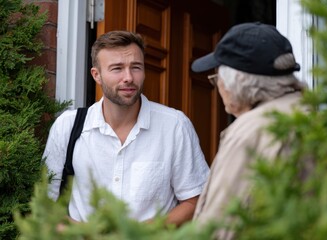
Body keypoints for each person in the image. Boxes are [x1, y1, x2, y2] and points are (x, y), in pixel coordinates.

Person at [43, 30, 209, 227]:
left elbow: (195, 200)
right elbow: (46, 205)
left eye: (136, 67)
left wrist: (142, 234)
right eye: (117, 68)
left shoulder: (174, 126)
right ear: (97, 75)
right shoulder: (67, 126)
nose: (128, 77)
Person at [191, 22, 307, 238]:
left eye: (218, 80)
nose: (219, 89)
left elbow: (221, 227)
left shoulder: (250, 131)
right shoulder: (310, 114)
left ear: (238, 83)